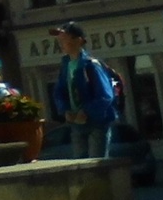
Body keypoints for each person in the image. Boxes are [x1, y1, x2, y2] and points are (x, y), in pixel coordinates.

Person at [46, 22, 119, 160]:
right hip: (76, 123)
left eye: (65, 38)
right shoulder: (66, 65)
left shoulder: (91, 65)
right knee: (80, 164)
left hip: (97, 123)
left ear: (78, 40)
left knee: (96, 163)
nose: (60, 42)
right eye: (60, 39)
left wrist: (86, 111)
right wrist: (65, 109)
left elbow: (105, 96)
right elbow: (59, 92)